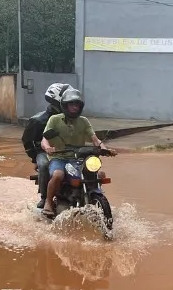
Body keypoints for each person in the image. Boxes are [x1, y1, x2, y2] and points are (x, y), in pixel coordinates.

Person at [40, 87, 116, 218]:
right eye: (71, 104)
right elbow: (44, 139)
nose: (74, 107)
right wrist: (47, 148)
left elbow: (95, 139)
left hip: (79, 157)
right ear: (64, 105)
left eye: (77, 104)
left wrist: (104, 148)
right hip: (59, 157)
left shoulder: (84, 121)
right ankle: (48, 202)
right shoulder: (55, 119)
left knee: (97, 173)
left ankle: (93, 197)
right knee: (58, 175)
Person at [21, 82, 70, 208]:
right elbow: (27, 141)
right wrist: (34, 159)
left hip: (66, 149)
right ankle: (44, 198)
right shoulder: (38, 120)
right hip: (43, 152)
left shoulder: (72, 119)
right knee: (44, 165)